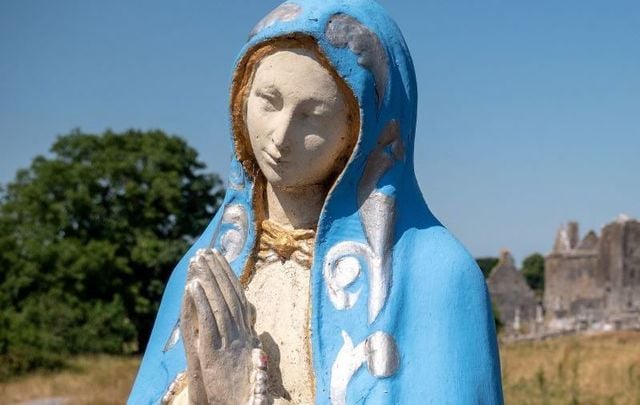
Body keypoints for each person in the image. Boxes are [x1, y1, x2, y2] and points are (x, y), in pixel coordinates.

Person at [129, 1, 504, 404]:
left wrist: (247, 393)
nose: (280, 135)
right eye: (268, 101)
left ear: (365, 127)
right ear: (241, 99)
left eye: (313, 114)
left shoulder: (437, 277)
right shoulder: (201, 266)